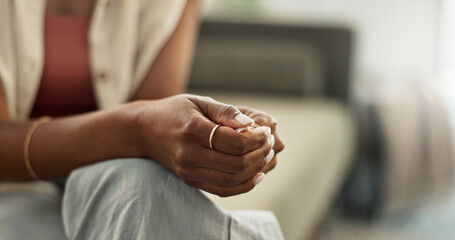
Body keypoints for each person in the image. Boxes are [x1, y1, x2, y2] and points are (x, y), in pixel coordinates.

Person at [0, 0, 285, 239]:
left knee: (145, 187)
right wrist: (135, 128)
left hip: (113, 169)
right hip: (10, 182)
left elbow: (155, 124)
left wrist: (215, 134)